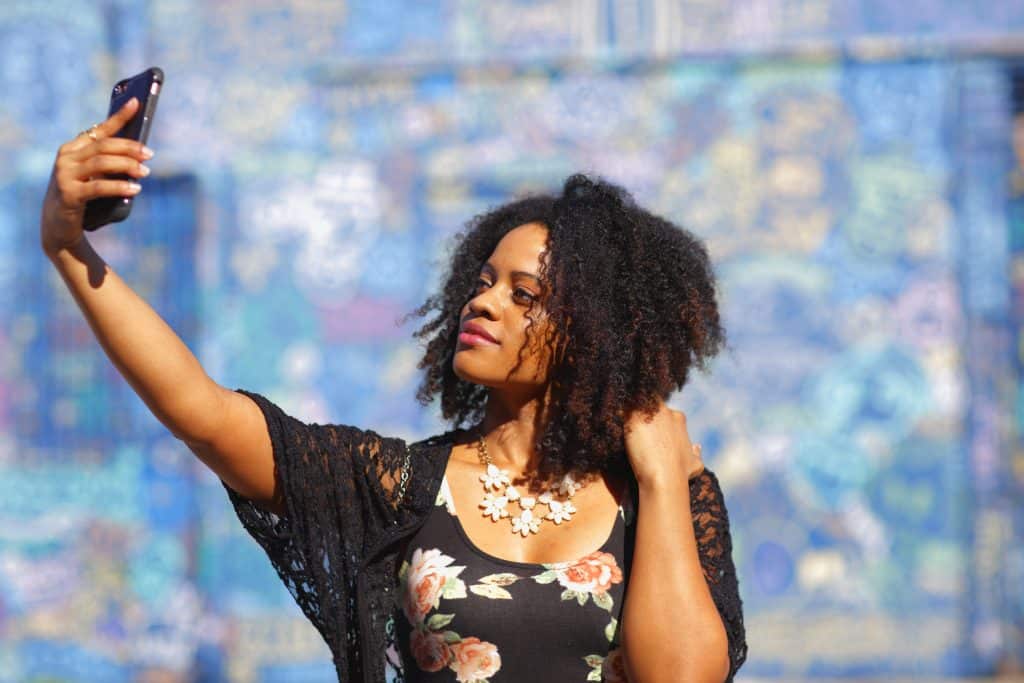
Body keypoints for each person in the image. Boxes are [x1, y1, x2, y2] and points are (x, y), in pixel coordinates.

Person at [41, 98, 747, 683]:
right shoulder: (398, 489)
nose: (485, 301)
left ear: (597, 330)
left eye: (523, 292)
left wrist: (658, 478)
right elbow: (203, 412)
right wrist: (69, 248)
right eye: (482, 281)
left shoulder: (662, 496)